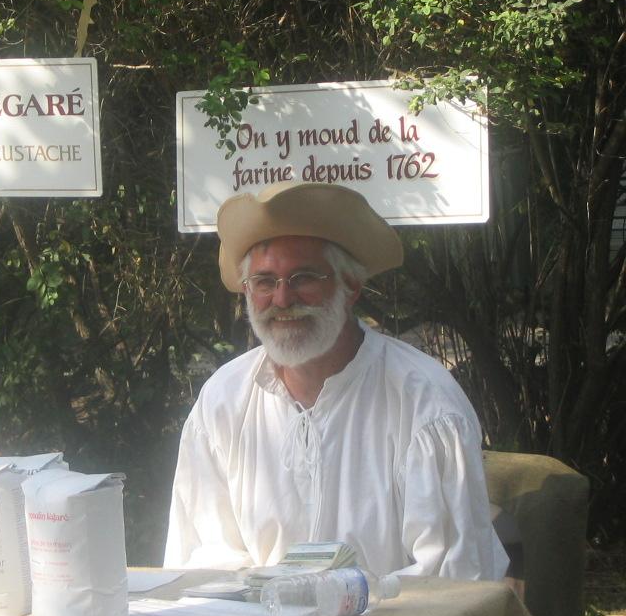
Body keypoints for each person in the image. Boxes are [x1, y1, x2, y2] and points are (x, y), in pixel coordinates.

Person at [164, 181, 508, 580]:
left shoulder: (424, 405)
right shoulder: (223, 401)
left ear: (351, 287)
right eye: (264, 282)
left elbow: (454, 582)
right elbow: (203, 561)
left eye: (304, 278)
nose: (281, 299)